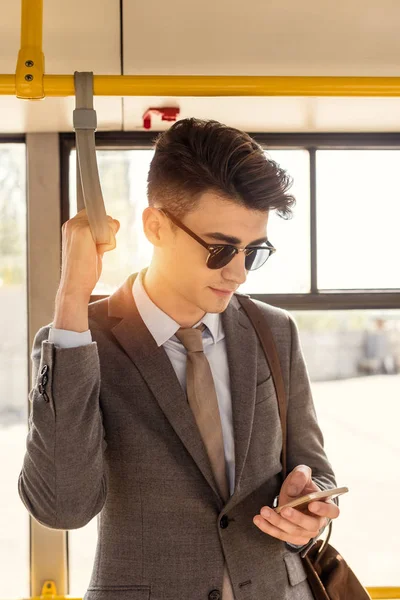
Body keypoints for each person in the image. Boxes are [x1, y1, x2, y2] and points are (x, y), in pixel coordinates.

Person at [18, 118, 340, 600]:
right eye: (219, 249)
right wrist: (71, 297)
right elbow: (63, 507)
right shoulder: (79, 343)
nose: (238, 274)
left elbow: (314, 468)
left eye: (253, 252)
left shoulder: (274, 331)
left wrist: (308, 506)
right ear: (156, 227)